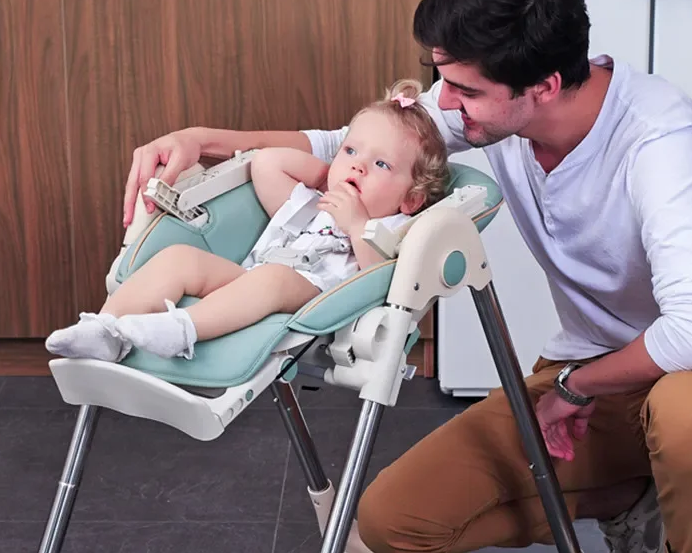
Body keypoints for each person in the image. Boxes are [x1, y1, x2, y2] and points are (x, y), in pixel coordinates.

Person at [119, 0, 692, 553]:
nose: (444, 103)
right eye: (442, 77)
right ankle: (636, 499)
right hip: (595, 362)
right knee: (390, 524)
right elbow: (351, 144)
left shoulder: (659, 143)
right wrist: (202, 140)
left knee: (690, 413)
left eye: (465, 90)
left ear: (543, 85)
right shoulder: (499, 106)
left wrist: (571, 387)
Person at [46, 80, 448, 363]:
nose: (358, 166)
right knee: (179, 258)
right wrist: (326, 175)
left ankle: (182, 330)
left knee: (274, 278)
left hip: (312, 298)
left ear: (410, 199)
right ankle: (107, 329)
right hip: (249, 280)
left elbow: (380, 282)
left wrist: (358, 224)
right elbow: (267, 163)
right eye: (351, 150)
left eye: (381, 164)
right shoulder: (313, 204)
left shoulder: (393, 229)